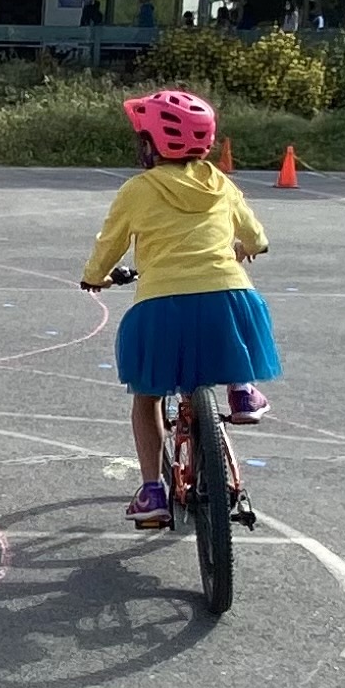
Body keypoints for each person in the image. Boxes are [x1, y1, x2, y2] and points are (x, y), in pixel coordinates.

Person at [79, 90, 281, 526]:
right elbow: (258, 238)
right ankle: (241, 391)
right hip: (229, 297)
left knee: (147, 394)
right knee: (231, 331)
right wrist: (242, 247)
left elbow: (108, 247)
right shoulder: (220, 183)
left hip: (161, 306)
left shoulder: (138, 189)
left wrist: (95, 277)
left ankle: (152, 491)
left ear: (152, 145)